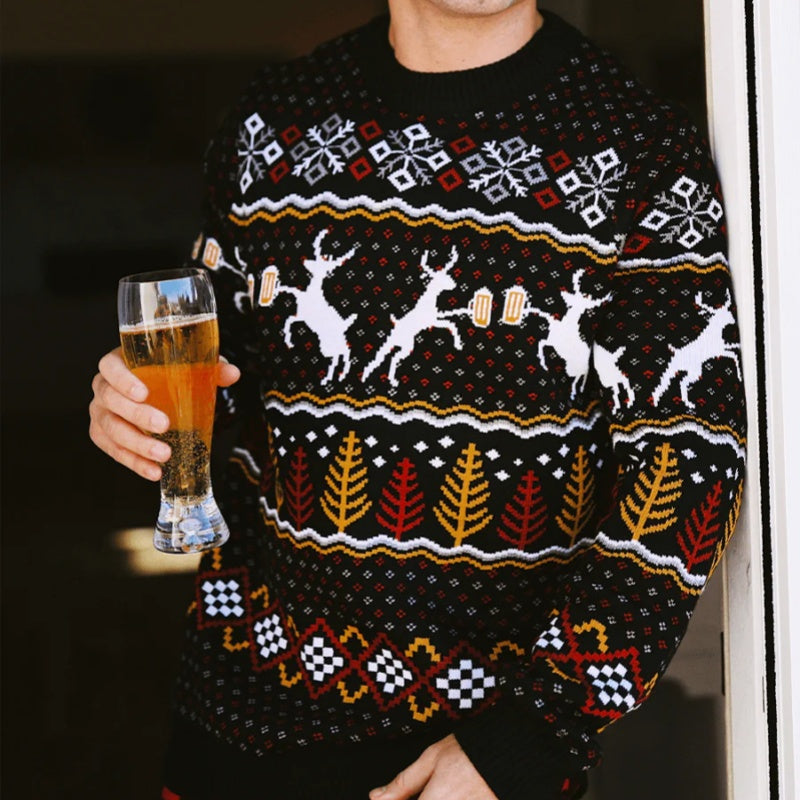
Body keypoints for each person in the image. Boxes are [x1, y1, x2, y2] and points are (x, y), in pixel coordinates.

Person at [89, 1, 747, 797]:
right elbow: (225, 405)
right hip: (232, 729)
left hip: (462, 764)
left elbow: (689, 465)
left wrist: (533, 735)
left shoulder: (642, 151)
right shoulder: (269, 123)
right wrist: (135, 416)